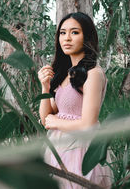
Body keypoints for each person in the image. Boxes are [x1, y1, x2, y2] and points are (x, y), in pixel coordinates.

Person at [38, 12, 112, 188]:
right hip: (58, 144)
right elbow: (45, 118)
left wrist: (55, 122)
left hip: (80, 147)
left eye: (74, 32)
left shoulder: (93, 74)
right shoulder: (65, 74)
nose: (67, 38)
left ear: (87, 37)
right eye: (63, 33)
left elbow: (88, 123)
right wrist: (45, 86)